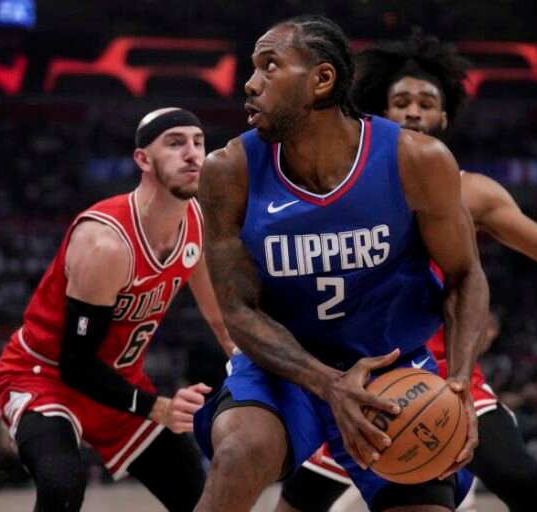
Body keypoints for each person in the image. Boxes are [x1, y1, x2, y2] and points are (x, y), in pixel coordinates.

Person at [277, 33, 537, 512]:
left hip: (443, 373)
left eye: (426, 102)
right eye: (401, 101)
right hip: (358, 373)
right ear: (380, 113)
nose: (413, 111)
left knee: (521, 475)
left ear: (443, 117)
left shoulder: (473, 192)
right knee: (298, 500)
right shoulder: (345, 187)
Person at [193, 15, 489, 512]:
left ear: (321, 81)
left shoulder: (415, 160)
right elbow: (239, 311)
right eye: (253, 68)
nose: (249, 83)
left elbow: (466, 276)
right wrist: (328, 384)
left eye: (269, 66)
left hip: (389, 371)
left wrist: (458, 385)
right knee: (241, 451)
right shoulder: (228, 172)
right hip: (284, 371)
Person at [0, 107, 234, 511]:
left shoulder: (196, 221)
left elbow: (221, 319)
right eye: (175, 144)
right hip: (43, 376)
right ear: (142, 159)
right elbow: (76, 364)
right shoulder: (106, 243)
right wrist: (158, 407)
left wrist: (253, 374)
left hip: (118, 381)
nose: (193, 154)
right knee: (62, 487)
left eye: (198, 142)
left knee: (203, 500)